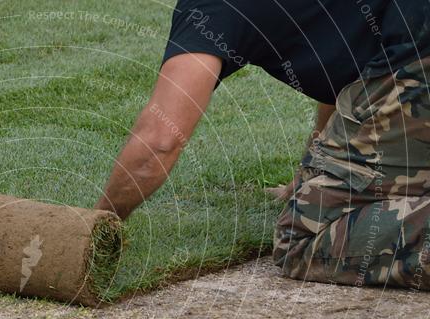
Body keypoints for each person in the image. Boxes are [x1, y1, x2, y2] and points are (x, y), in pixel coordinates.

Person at [95, 0, 430, 289]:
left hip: (416, 55)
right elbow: (343, 71)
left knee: (301, 239)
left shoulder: (211, 8)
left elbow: (159, 141)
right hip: (407, 40)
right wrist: (307, 175)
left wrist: (99, 222)